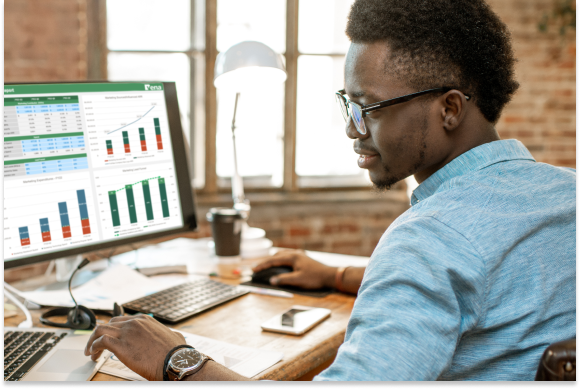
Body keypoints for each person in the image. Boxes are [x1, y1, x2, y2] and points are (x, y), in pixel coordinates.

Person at [84, 0, 575, 381]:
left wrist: (176, 358)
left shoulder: (430, 239)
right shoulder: (562, 194)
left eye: (370, 107)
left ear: (449, 108)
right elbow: (489, 286)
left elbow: (450, 265)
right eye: (348, 103)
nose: (352, 128)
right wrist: (337, 273)